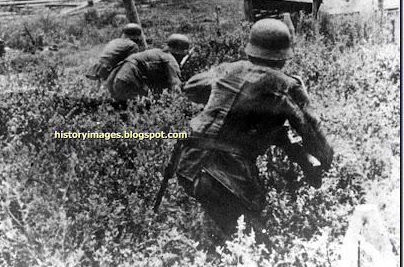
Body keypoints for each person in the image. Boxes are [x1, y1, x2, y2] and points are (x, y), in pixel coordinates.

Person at [171, 19, 333, 238]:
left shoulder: (228, 70)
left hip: (187, 162)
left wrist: (227, 85)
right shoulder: (286, 86)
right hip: (225, 174)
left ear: (251, 50)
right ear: (283, 56)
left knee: (229, 225)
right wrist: (326, 165)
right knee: (253, 241)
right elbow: (314, 134)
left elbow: (191, 87)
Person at [106, 34, 190, 102]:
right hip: (127, 78)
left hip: (114, 78)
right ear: (179, 51)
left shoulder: (157, 52)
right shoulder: (170, 59)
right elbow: (175, 86)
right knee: (138, 110)